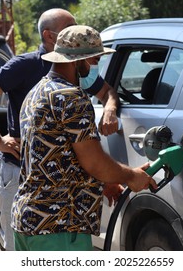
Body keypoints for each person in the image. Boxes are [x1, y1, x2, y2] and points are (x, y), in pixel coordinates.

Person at [0, 9, 121, 251]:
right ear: (50, 35)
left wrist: (110, 109)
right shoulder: (27, 67)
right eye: (68, 27)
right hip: (21, 176)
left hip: (41, 206)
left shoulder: (64, 79)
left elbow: (106, 96)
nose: (94, 62)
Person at [11, 25, 158, 251]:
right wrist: (131, 176)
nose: (94, 66)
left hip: (29, 220)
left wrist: (104, 180)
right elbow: (94, 161)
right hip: (58, 227)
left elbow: (58, 155)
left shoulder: (37, 92)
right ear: (75, 60)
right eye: (93, 60)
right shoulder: (71, 96)